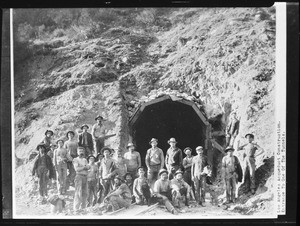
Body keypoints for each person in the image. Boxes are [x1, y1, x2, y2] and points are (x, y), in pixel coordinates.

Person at [73, 147, 90, 213]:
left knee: (85, 193)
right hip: (79, 177)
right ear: (77, 152)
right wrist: (84, 167)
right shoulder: (75, 159)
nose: (81, 152)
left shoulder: (85, 159)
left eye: (82, 151)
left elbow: (88, 167)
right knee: (78, 193)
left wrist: (83, 167)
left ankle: (83, 208)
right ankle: (76, 209)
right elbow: (77, 169)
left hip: (85, 177)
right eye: (80, 151)